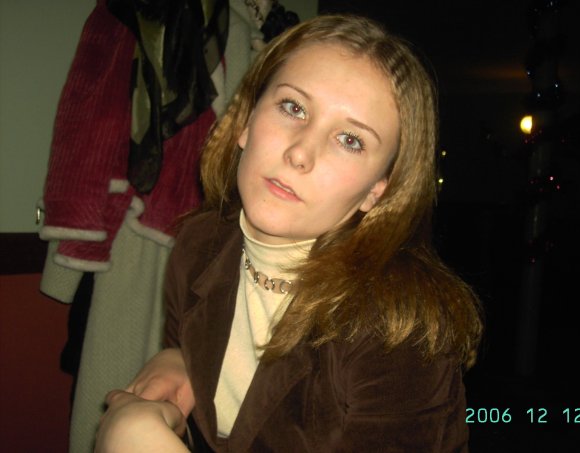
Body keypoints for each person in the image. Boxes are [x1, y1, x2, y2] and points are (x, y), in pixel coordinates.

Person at [95, 14, 483, 452]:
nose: (300, 153)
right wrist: (180, 361)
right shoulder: (199, 246)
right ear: (246, 121)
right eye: (293, 108)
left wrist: (138, 438)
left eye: (350, 140)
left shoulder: (398, 328)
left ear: (378, 189)